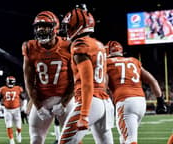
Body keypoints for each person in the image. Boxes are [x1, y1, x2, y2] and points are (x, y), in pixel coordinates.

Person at [59, 4, 114, 144]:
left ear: (77, 25)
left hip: (90, 101)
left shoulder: (80, 45)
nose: (66, 28)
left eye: (68, 25)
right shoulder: (98, 44)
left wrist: (84, 114)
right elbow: (104, 77)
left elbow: (87, 82)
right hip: (105, 101)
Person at [22, 10, 74, 144]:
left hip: (64, 98)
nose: (40, 29)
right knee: (35, 139)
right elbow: (29, 81)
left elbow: (76, 79)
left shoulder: (68, 46)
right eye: (38, 26)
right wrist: (38, 105)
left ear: (55, 28)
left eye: (45, 26)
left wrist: (64, 103)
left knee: (72, 139)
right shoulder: (30, 47)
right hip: (42, 98)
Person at [106, 40, 167, 144]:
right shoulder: (134, 61)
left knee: (130, 140)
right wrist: (160, 101)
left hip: (125, 102)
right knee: (125, 138)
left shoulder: (107, 63)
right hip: (140, 101)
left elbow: (103, 84)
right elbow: (152, 81)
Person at [0, 76, 24, 144]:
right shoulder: (3, 89)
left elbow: (24, 98)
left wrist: (24, 106)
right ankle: (11, 140)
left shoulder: (17, 88)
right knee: (9, 125)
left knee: (18, 126)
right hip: (7, 110)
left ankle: (18, 133)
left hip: (16, 109)